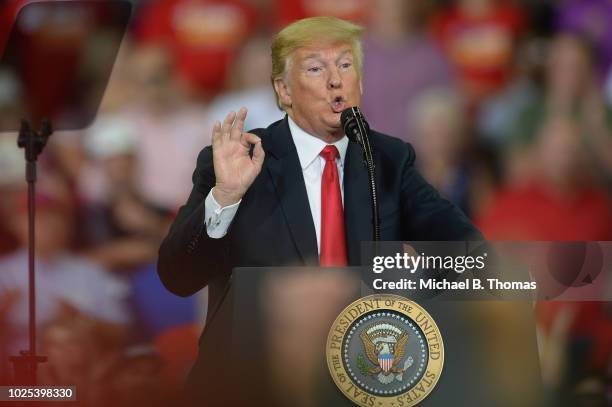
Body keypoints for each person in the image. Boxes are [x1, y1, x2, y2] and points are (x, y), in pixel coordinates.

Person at [157, 16, 481, 405]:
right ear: (284, 90)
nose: (335, 80)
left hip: (362, 379)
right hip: (252, 385)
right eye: (315, 68)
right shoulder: (236, 160)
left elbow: (470, 255)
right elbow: (177, 277)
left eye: (346, 66)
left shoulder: (390, 161)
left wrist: (414, 271)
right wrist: (225, 197)